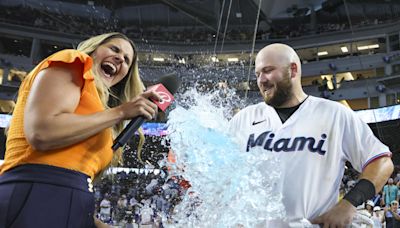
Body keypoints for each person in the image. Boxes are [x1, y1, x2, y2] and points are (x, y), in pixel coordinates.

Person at [0, 32, 161, 228]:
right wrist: (120, 112)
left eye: (127, 60)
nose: (120, 58)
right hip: (36, 189)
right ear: (93, 50)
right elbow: (42, 133)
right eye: (114, 49)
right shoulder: (73, 61)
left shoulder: (99, 114)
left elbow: (71, 195)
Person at [228, 43, 394, 227]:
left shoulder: (334, 114)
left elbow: (382, 162)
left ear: (293, 70)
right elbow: (223, 174)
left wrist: (349, 204)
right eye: (258, 74)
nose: (261, 80)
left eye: (268, 70)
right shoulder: (243, 119)